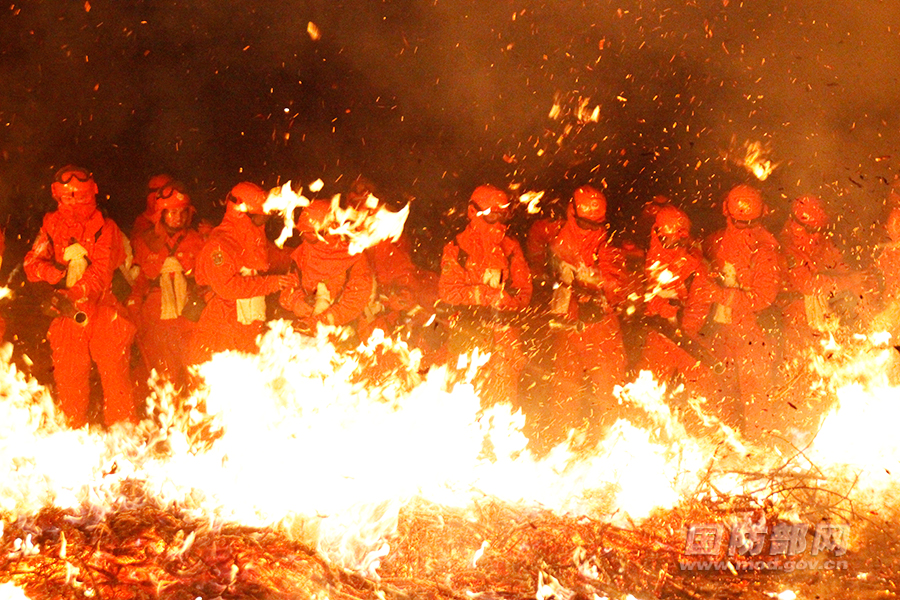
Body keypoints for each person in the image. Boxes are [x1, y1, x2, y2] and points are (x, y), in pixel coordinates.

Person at [24, 165, 136, 428]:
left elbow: (99, 273)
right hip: (67, 314)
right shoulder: (51, 225)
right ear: (57, 196)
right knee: (69, 381)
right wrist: (57, 276)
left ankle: (124, 439)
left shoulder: (105, 227)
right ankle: (73, 438)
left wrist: (72, 289)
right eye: (68, 197)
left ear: (92, 192)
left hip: (105, 309)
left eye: (80, 196)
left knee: (116, 380)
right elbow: (31, 264)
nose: (74, 202)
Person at [632, 205, 730, 426]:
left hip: (686, 340)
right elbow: (635, 292)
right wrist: (654, 305)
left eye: (675, 241)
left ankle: (712, 441)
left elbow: (699, 309)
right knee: (645, 399)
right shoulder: (649, 258)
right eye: (664, 240)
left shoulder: (697, 268)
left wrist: (679, 325)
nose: (669, 247)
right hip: (659, 337)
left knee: (704, 398)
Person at [546, 185, 632, 436]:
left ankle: (613, 450)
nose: (592, 229)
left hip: (601, 331)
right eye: (586, 223)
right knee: (563, 396)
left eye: (597, 224)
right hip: (567, 328)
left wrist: (598, 281)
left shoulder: (607, 246)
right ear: (572, 213)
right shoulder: (556, 241)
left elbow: (618, 286)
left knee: (610, 395)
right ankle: (561, 449)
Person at [439, 184, 532, 406]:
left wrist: (506, 304)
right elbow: (448, 292)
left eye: (504, 216)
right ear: (473, 212)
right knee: (464, 402)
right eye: (492, 217)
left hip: (505, 341)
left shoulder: (510, 248)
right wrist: (484, 296)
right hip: (468, 336)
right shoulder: (457, 248)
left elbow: (524, 292)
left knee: (503, 406)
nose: (499, 224)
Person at [703, 184, 782, 438]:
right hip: (719, 332)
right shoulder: (713, 242)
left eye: (752, 223)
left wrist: (720, 294)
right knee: (717, 393)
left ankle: (759, 454)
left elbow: (763, 297)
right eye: (741, 223)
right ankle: (720, 450)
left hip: (751, 335)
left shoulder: (765, 251)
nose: (747, 230)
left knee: (755, 397)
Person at [188, 182, 297, 363]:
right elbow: (228, 287)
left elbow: (278, 257)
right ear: (244, 213)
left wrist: (309, 253)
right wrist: (274, 283)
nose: (267, 217)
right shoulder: (220, 246)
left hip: (249, 328)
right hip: (222, 328)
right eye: (263, 214)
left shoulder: (253, 238)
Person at [129, 181, 206, 389]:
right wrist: (134, 316)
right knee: (163, 376)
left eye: (182, 212)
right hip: (156, 315)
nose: (177, 217)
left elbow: (208, 280)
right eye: (172, 213)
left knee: (196, 369)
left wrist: (200, 302)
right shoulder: (145, 242)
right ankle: (167, 418)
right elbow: (137, 283)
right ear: (161, 214)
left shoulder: (199, 240)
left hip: (190, 313)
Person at [779, 195, 868, 360]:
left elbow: (840, 266)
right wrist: (848, 281)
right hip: (795, 318)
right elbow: (809, 285)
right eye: (812, 230)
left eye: (820, 230)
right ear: (795, 224)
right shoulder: (786, 249)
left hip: (825, 316)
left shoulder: (820, 242)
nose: (816, 236)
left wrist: (861, 291)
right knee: (804, 366)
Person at [278, 199, 374, 333]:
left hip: (340, 335)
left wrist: (320, 321)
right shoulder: (302, 253)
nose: (303, 236)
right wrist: (296, 301)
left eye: (309, 232)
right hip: (301, 331)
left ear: (327, 231)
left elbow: (354, 304)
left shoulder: (354, 258)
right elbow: (288, 286)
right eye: (302, 231)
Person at [131, 174, 174, 239]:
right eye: (154, 190)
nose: (159, 195)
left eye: (166, 190)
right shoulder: (141, 224)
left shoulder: (180, 221)